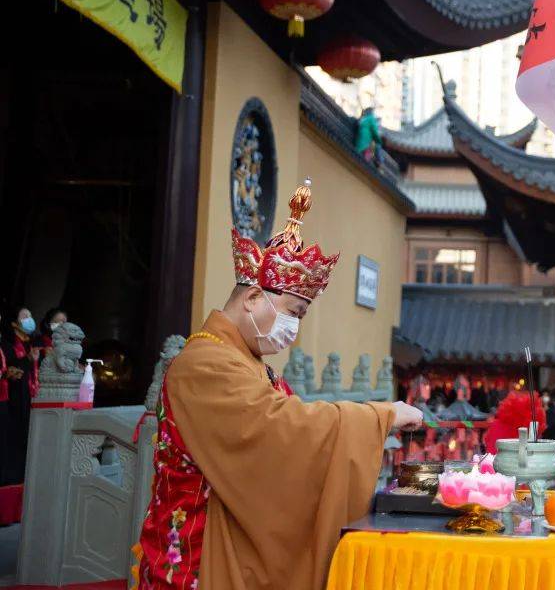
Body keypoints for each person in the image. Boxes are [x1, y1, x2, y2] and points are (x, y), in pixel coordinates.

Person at [136, 181, 423, 589]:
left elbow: (295, 437)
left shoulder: (247, 363)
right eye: (294, 312)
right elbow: (282, 427)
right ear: (253, 297)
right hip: (197, 553)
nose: (294, 328)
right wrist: (381, 416)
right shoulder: (204, 364)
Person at [1, 307, 40, 485]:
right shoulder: (7, 343)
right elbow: (8, 367)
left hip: (28, 396)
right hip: (11, 399)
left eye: (30, 315)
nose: (29, 319)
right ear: (14, 322)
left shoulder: (31, 343)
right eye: (24, 316)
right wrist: (26, 360)